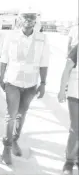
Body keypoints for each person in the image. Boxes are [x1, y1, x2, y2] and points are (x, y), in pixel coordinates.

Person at [0, 8, 49, 165]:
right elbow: (4, 57)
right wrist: (1, 77)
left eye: (32, 17)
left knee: (22, 114)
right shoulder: (11, 36)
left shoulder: (42, 38)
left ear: (36, 19)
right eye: (25, 16)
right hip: (13, 82)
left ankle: (14, 139)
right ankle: (6, 148)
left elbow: (44, 62)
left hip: (30, 85)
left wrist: (43, 83)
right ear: (20, 19)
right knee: (11, 115)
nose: (28, 19)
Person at [58, 44, 79, 175]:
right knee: (75, 129)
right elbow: (67, 70)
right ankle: (69, 162)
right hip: (76, 94)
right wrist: (61, 91)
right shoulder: (78, 48)